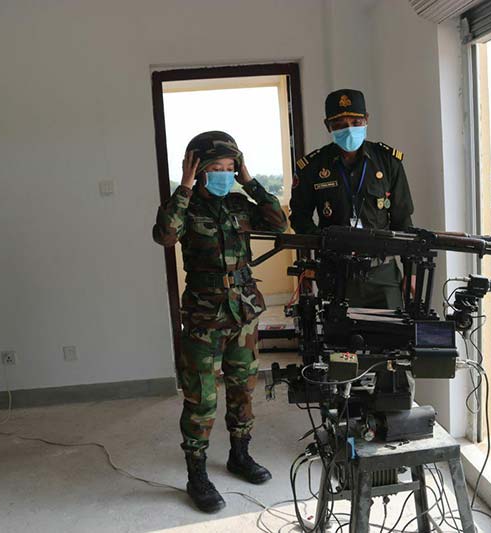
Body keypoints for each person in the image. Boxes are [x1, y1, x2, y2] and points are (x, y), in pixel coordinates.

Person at [152, 132, 288, 513]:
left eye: (231, 167)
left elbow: (279, 223)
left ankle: (239, 455)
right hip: (204, 317)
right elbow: (165, 235)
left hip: (242, 313)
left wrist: (249, 180)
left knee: (243, 389)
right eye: (217, 168)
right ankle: (196, 474)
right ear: (198, 169)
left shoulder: (239, 203)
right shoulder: (186, 205)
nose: (225, 174)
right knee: (202, 398)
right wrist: (184, 186)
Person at [289, 88, 415, 309]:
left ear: (366, 120)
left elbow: (402, 220)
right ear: (328, 126)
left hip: (382, 274)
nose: (349, 129)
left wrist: (410, 272)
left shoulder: (388, 162)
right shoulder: (312, 167)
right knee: (338, 331)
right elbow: (299, 217)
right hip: (336, 273)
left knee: (391, 330)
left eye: (356, 122)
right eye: (339, 125)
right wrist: (324, 243)